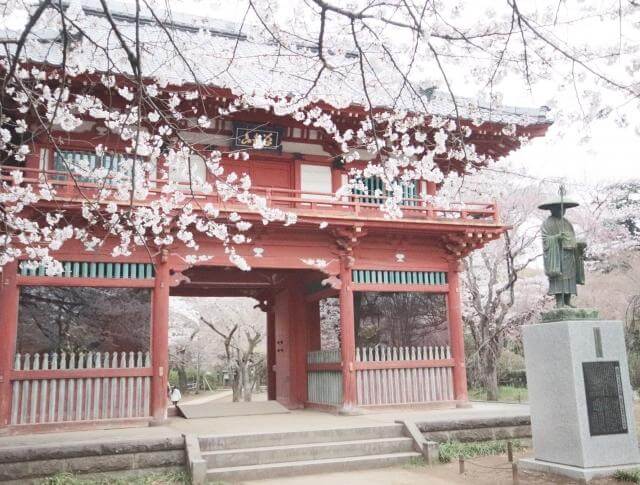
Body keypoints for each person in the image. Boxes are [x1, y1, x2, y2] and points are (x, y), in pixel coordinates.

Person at [539, 197, 586, 308]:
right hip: (557, 255)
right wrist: (556, 238)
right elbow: (546, 239)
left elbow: (572, 238)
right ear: (553, 209)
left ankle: (568, 300)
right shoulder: (547, 223)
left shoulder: (567, 223)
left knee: (570, 278)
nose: (563, 211)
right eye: (560, 208)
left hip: (569, 254)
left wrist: (578, 245)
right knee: (559, 278)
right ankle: (559, 302)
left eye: (564, 209)